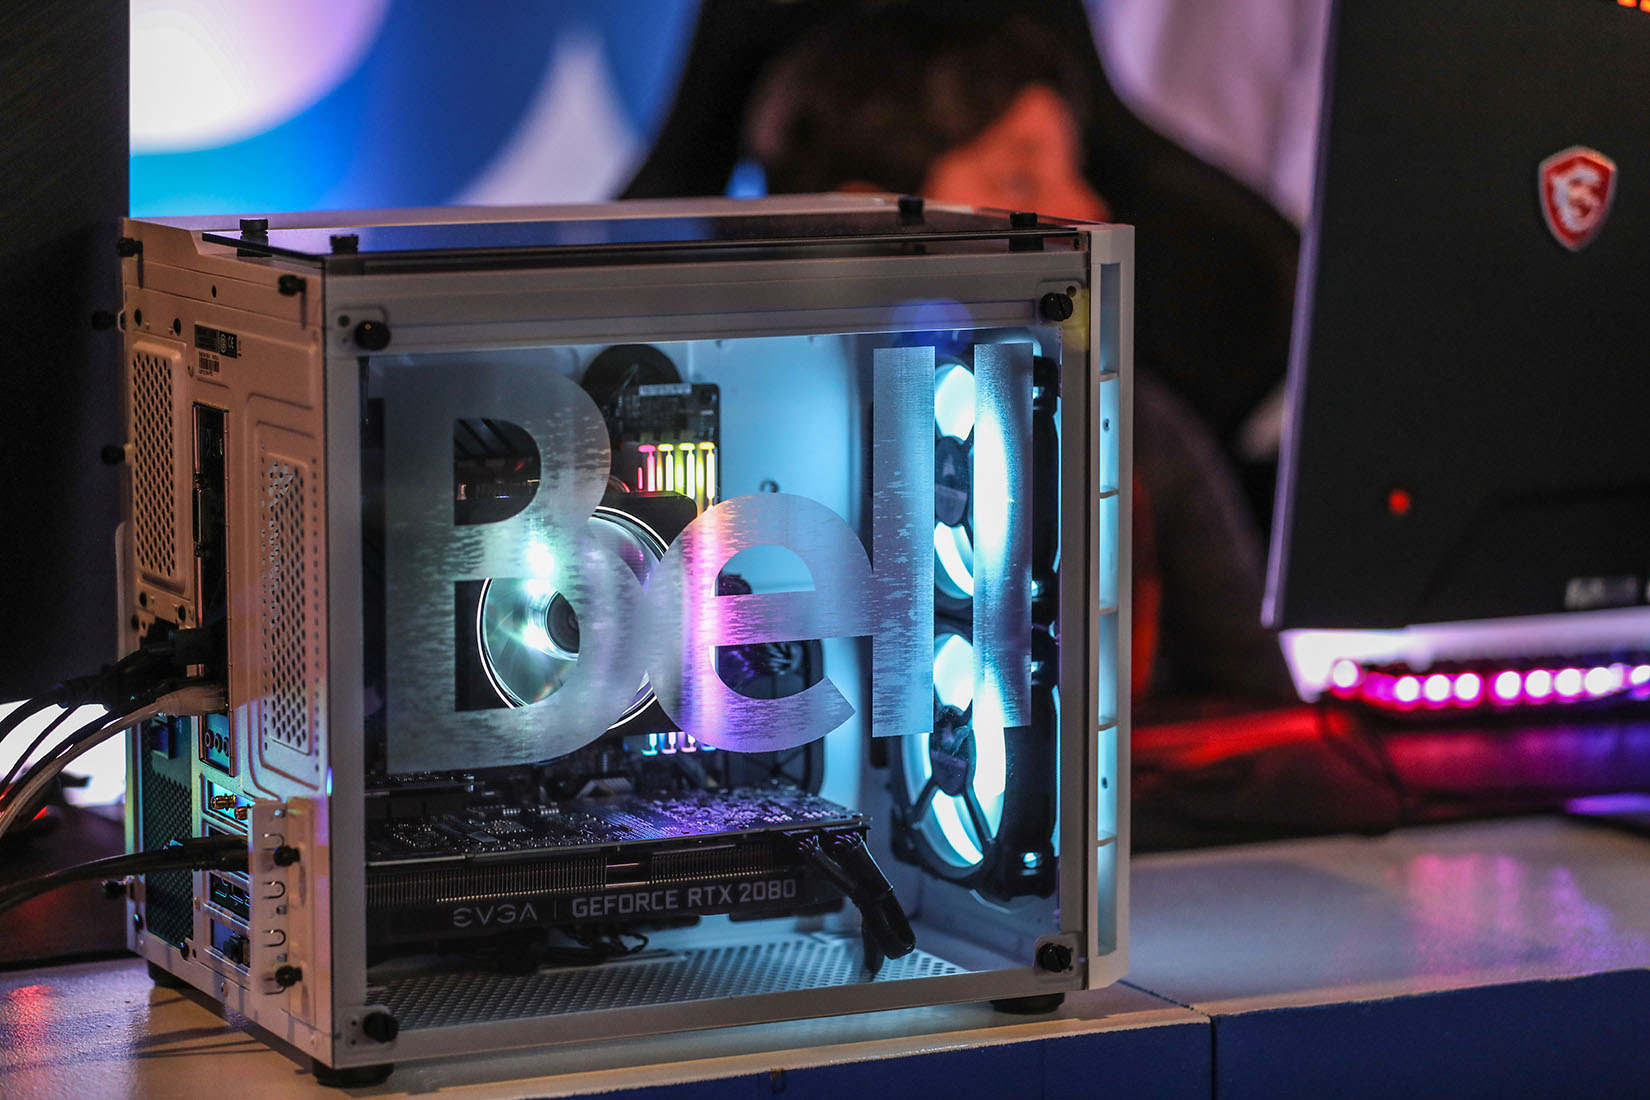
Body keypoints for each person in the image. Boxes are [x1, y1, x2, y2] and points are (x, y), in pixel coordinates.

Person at [744, 7, 1296, 703]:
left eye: (1077, 171)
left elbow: (1264, 708)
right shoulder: (760, 449)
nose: (1087, 208)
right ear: (862, 225)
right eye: (1021, 182)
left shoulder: (1137, 428)